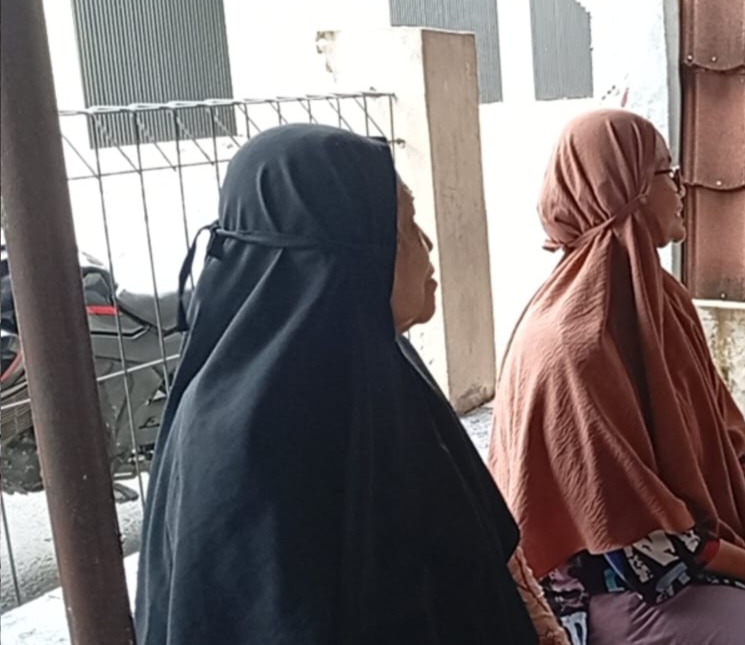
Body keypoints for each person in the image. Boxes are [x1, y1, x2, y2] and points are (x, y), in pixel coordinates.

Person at [134, 124, 566, 645]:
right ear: (343, 262)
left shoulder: (382, 371)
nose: (427, 243)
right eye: (403, 226)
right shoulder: (251, 446)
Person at [488, 109, 745, 645]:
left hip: (704, 549)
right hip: (622, 590)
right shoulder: (572, 343)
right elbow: (633, 545)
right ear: (626, 191)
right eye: (666, 172)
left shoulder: (661, 302)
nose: (681, 187)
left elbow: (727, 444)